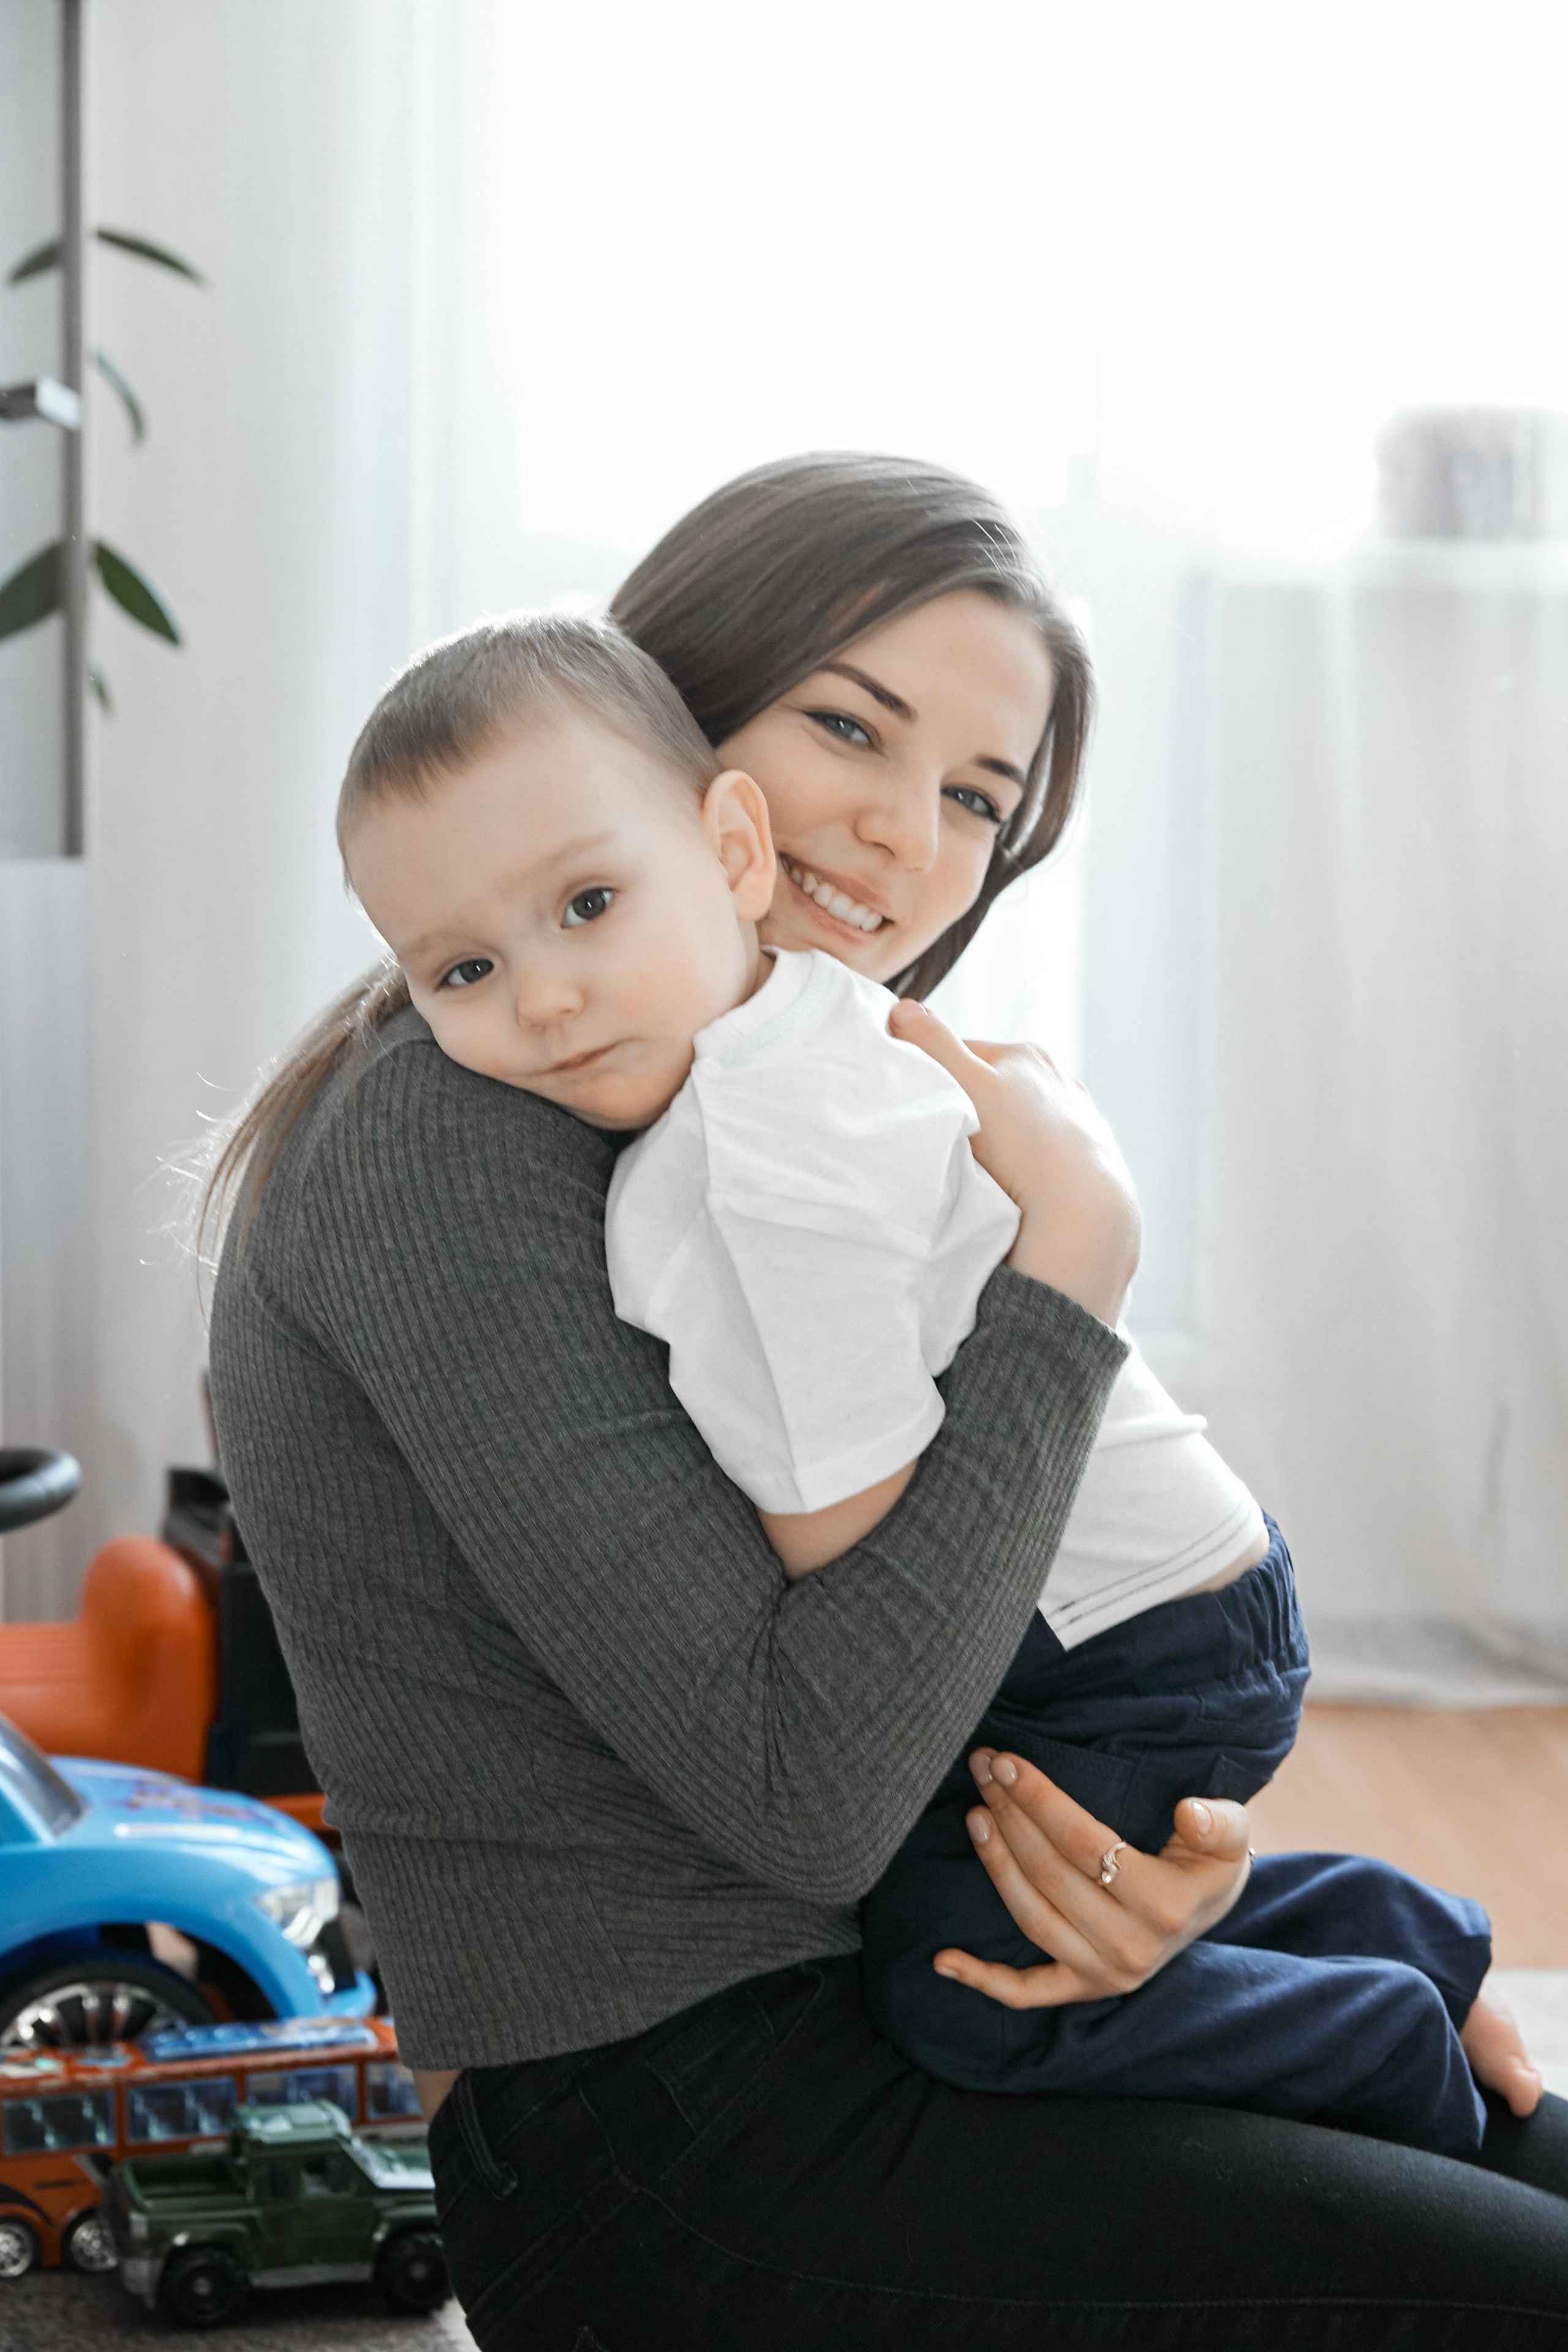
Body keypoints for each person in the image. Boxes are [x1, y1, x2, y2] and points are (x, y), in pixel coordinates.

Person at [206, 454, 1568, 2348]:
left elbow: (947, 1662)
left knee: (1529, 2149)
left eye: (980, 805)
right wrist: (1074, 1267)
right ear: (682, 711)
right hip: (672, 2143)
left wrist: (1178, 1910)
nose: (905, 839)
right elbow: (812, 1786)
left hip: (865, 1996)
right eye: (851, 724)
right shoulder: (459, 1129)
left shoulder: (732, 1098)